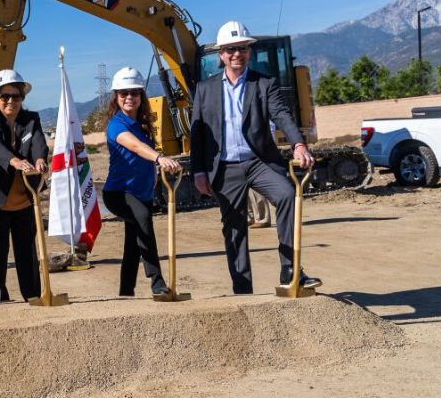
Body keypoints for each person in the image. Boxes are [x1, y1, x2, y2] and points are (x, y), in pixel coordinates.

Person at [188, 22, 320, 293]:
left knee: (287, 195)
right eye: (232, 49)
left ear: (249, 52)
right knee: (234, 228)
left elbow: (282, 114)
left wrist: (298, 144)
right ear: (221, 54)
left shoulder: (264, 84)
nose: (238, 54)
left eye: (243, 48)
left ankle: (290, 269)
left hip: (259, 161)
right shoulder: (205, 89)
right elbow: (197, 134)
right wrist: (199, 171)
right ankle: (243, 290)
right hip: (224, 167)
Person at [100, 67, 181, 297]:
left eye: (134, 93)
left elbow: (143, 151)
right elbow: (134, 146)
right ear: (116, 97)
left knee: (133, 243)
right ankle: (157, 282)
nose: (129, 98)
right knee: (143, 224)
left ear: (140, 96)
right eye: (124, 93)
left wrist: (154, 171)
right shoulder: (117, 124)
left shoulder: (143, 123)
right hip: (118, 193)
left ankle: (126, 292)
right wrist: (159, 158)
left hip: (141, 193)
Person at [0, 68, 47, 303]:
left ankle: (33, 295)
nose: (10, 101)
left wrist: (40, 160)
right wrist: (14, 161)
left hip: (25, 197)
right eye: (5, 97)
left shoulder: (31, 119)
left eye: (16, 96)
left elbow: (38, 144)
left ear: (22, 98)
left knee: (27, 251)